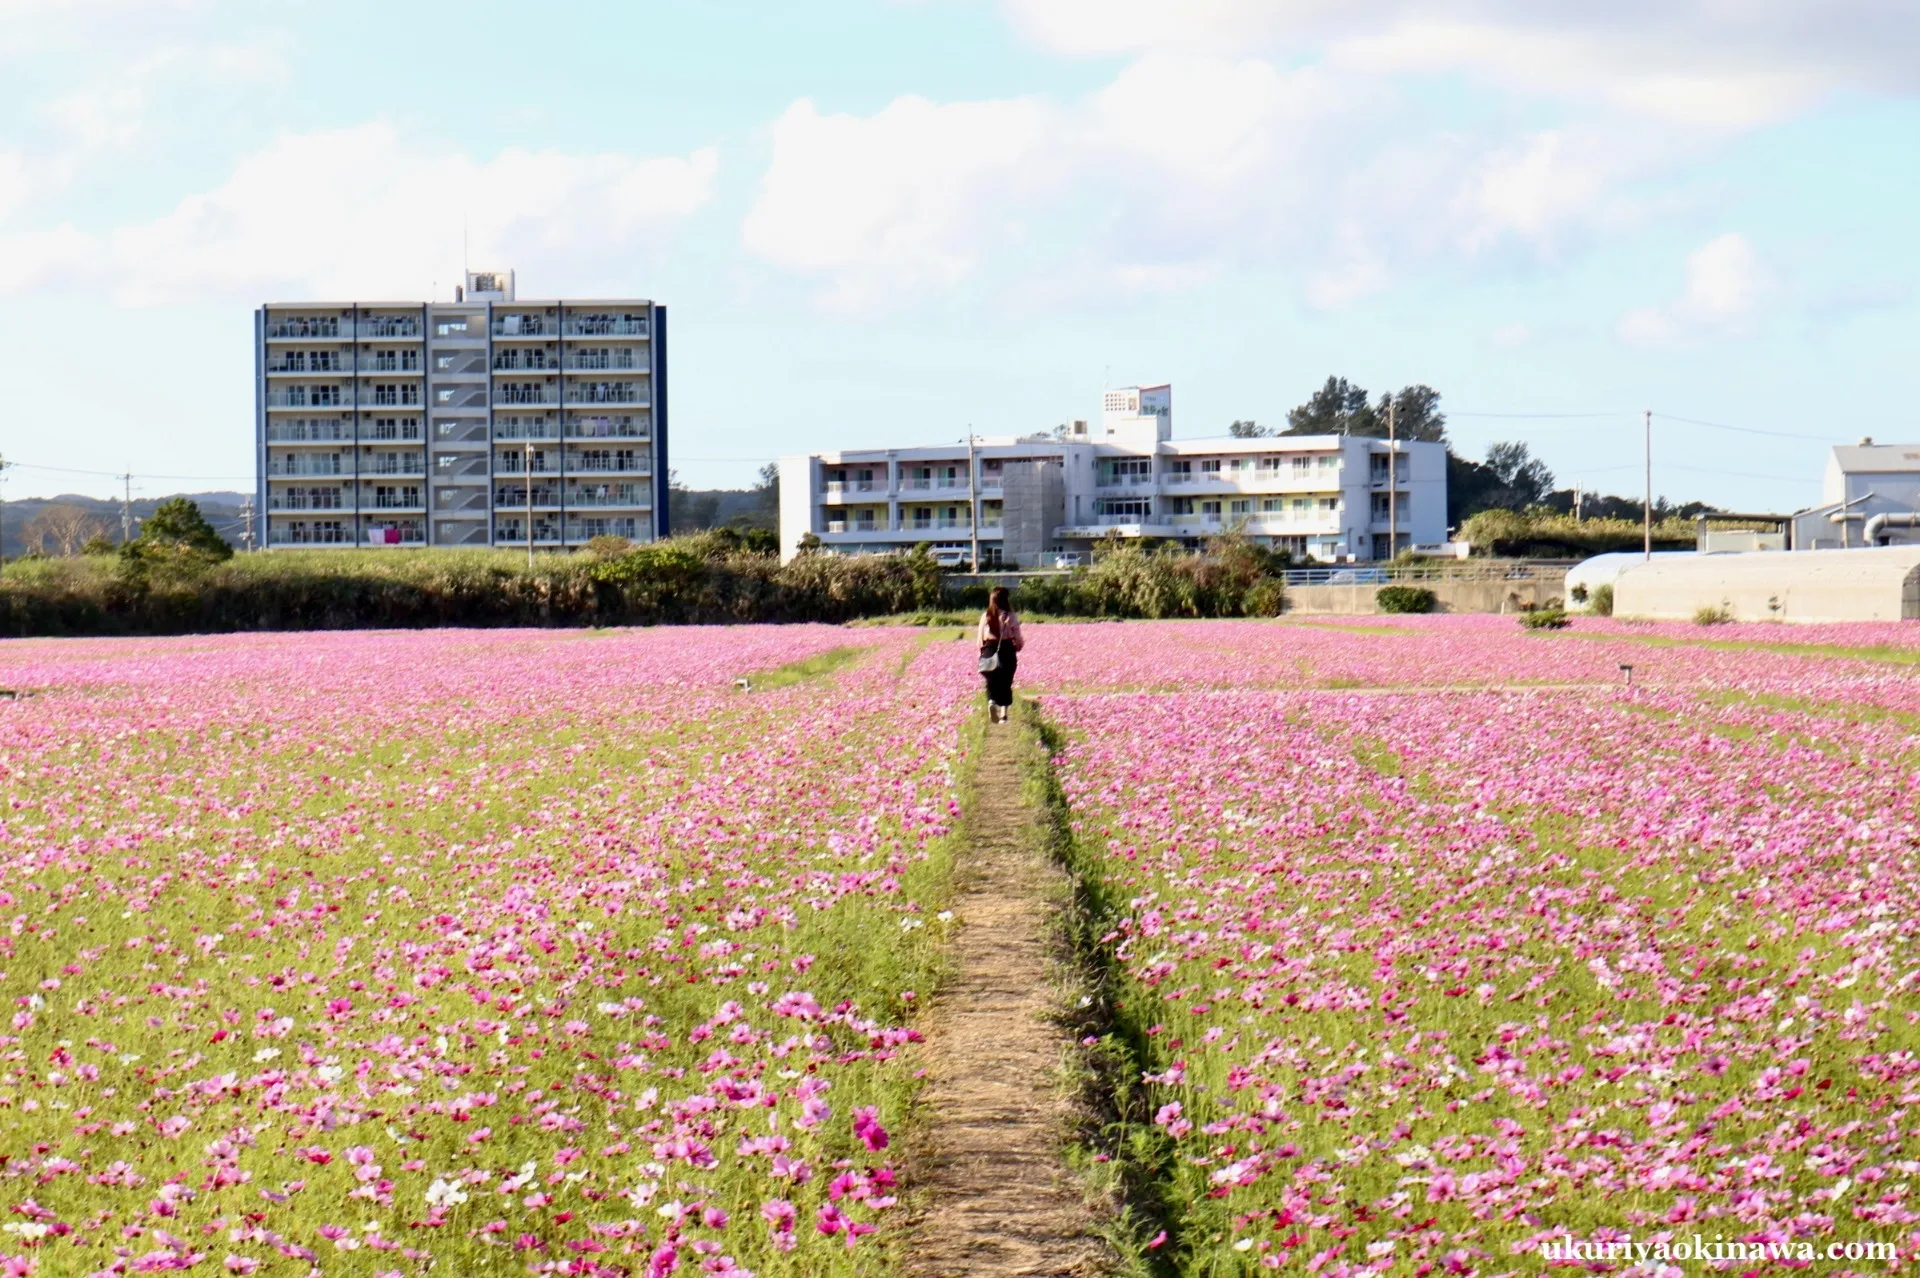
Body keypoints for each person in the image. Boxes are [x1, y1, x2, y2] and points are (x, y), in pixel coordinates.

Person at [978, 585, 1024, 723]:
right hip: (1006, 649)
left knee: (991, 679)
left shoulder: (985, 616)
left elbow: (980, 639)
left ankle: (992, 701)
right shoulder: (1010, 616)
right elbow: (1019, 640)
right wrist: (1017, 644)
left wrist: (982, 653)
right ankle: (1003, 714)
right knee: (1006, 681)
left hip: (989, 648)